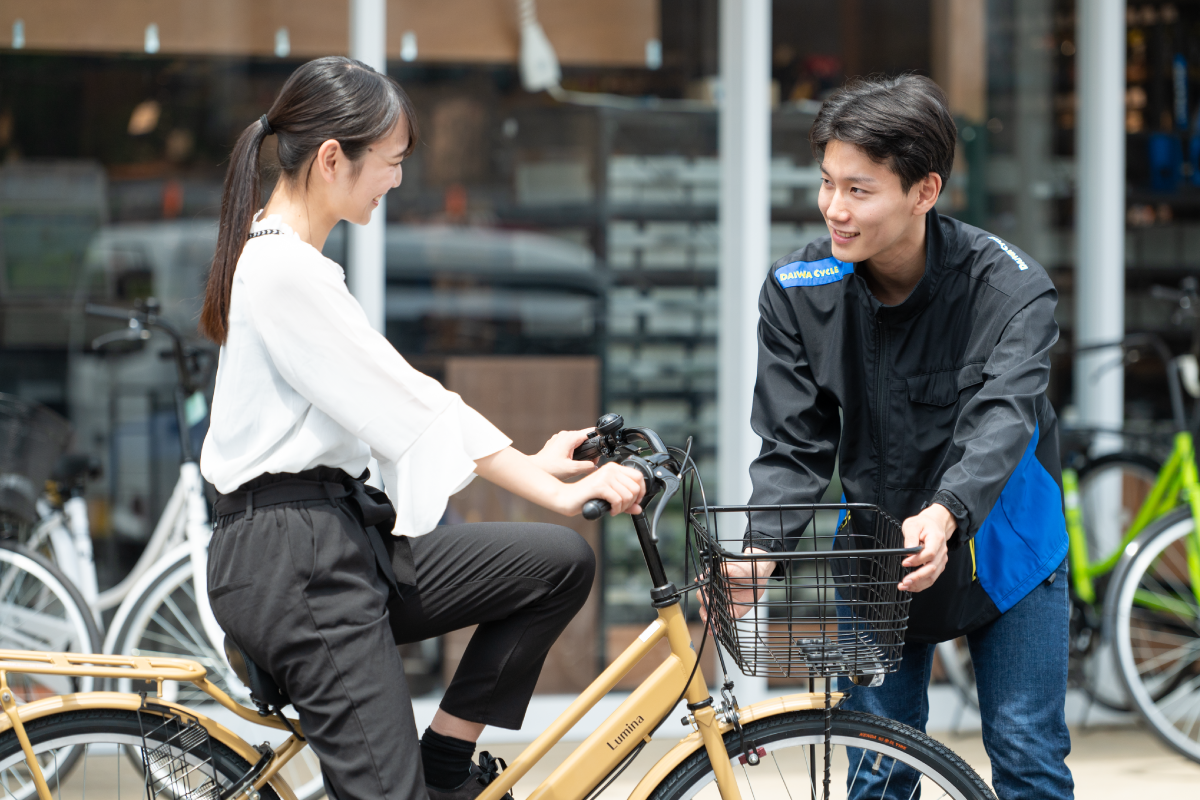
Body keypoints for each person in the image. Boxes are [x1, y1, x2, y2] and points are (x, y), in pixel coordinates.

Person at [198, 56, 645, 800]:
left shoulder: (290, 259)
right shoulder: (283, 270)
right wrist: (546, 485)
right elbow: (406, 400)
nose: (398, 181)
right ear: (334, 159)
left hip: (335, 541)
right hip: (295, 562)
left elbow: (399, 401)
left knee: (555, 566)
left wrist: (535, 464)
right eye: (392, 163)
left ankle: (444, 766)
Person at [733, 75, 1073, 799]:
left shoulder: (1009, 289)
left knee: (1025, 756)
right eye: (827, 183)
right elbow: (796, 442)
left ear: (925, 191)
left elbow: (1001, 419)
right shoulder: (799, 289)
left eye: (859, 190)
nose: (833, 209)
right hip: (876, 549)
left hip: (1006, 550)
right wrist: (764, 549)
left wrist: (947, 511)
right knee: (877, 770)